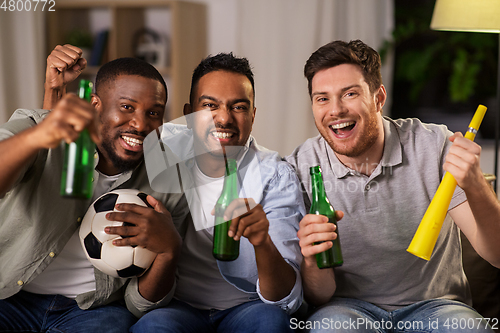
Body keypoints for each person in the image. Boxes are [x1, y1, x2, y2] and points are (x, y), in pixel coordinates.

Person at [285, 40, 500, 332]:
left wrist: (475, 185)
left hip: (436, 306)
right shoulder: (298, 168)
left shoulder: (434, 146)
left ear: (378, 97)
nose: (335, 110)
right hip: (344, 308)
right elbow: (317, 295)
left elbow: (496, 255)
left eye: (349, 94)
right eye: (322, 98)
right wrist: (312, 259)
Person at [0, 45, 188, 332]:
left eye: (154, 112)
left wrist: (168, 251)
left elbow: (140, 304)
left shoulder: (169, 181)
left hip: (93, 311)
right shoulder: (39, 126)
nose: (140, 123)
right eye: (127, 107)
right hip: (10, 297)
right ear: (95, 105)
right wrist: (36, 137)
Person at [127, 53, 304, 333]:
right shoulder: (162, 155)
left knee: (272, 323)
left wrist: (262, 242)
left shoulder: (275, 175)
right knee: (153, 328)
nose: (223, 118)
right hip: (177, 305)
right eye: (210, 105)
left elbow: (287, 300)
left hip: (248, 306)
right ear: (189, 113)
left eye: (239, 107)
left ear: (253, 115)